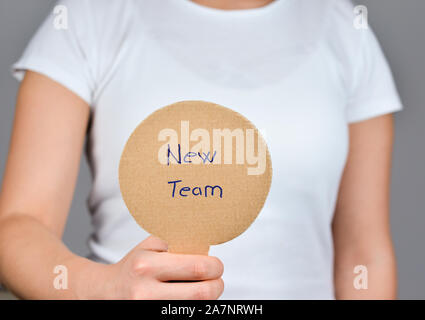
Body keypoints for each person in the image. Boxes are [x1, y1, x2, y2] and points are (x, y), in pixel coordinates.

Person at [0, 0, 402, 299]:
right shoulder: (89, 18)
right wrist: (100, 289)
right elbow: (16, 225)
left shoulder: (346, 30)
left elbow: (364, 251)